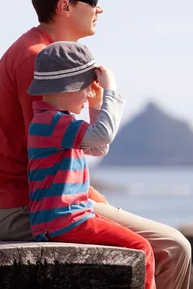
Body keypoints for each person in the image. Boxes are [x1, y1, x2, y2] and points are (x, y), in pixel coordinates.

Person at [0, 0, 191, 289]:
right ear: (65, 6)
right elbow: (44, 152)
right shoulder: (40, 60)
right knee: (173, 248)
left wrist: (90, 191)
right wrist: (90, 195)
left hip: (31, 201)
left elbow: (72, 144)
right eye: (93, 1)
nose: (100, 9)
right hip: (31, 209)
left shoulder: (46, 55)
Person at [27, 41, 155, 289]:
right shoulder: (52, 123)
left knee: (134, 243)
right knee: (142, 248)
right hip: (65, 220)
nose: (88, 95)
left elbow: (98, 147)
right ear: (64, 89)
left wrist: (96, 106)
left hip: (64, 219)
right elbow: (103, 136)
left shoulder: (54, 122)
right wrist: (111, 90)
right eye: (85, 88)